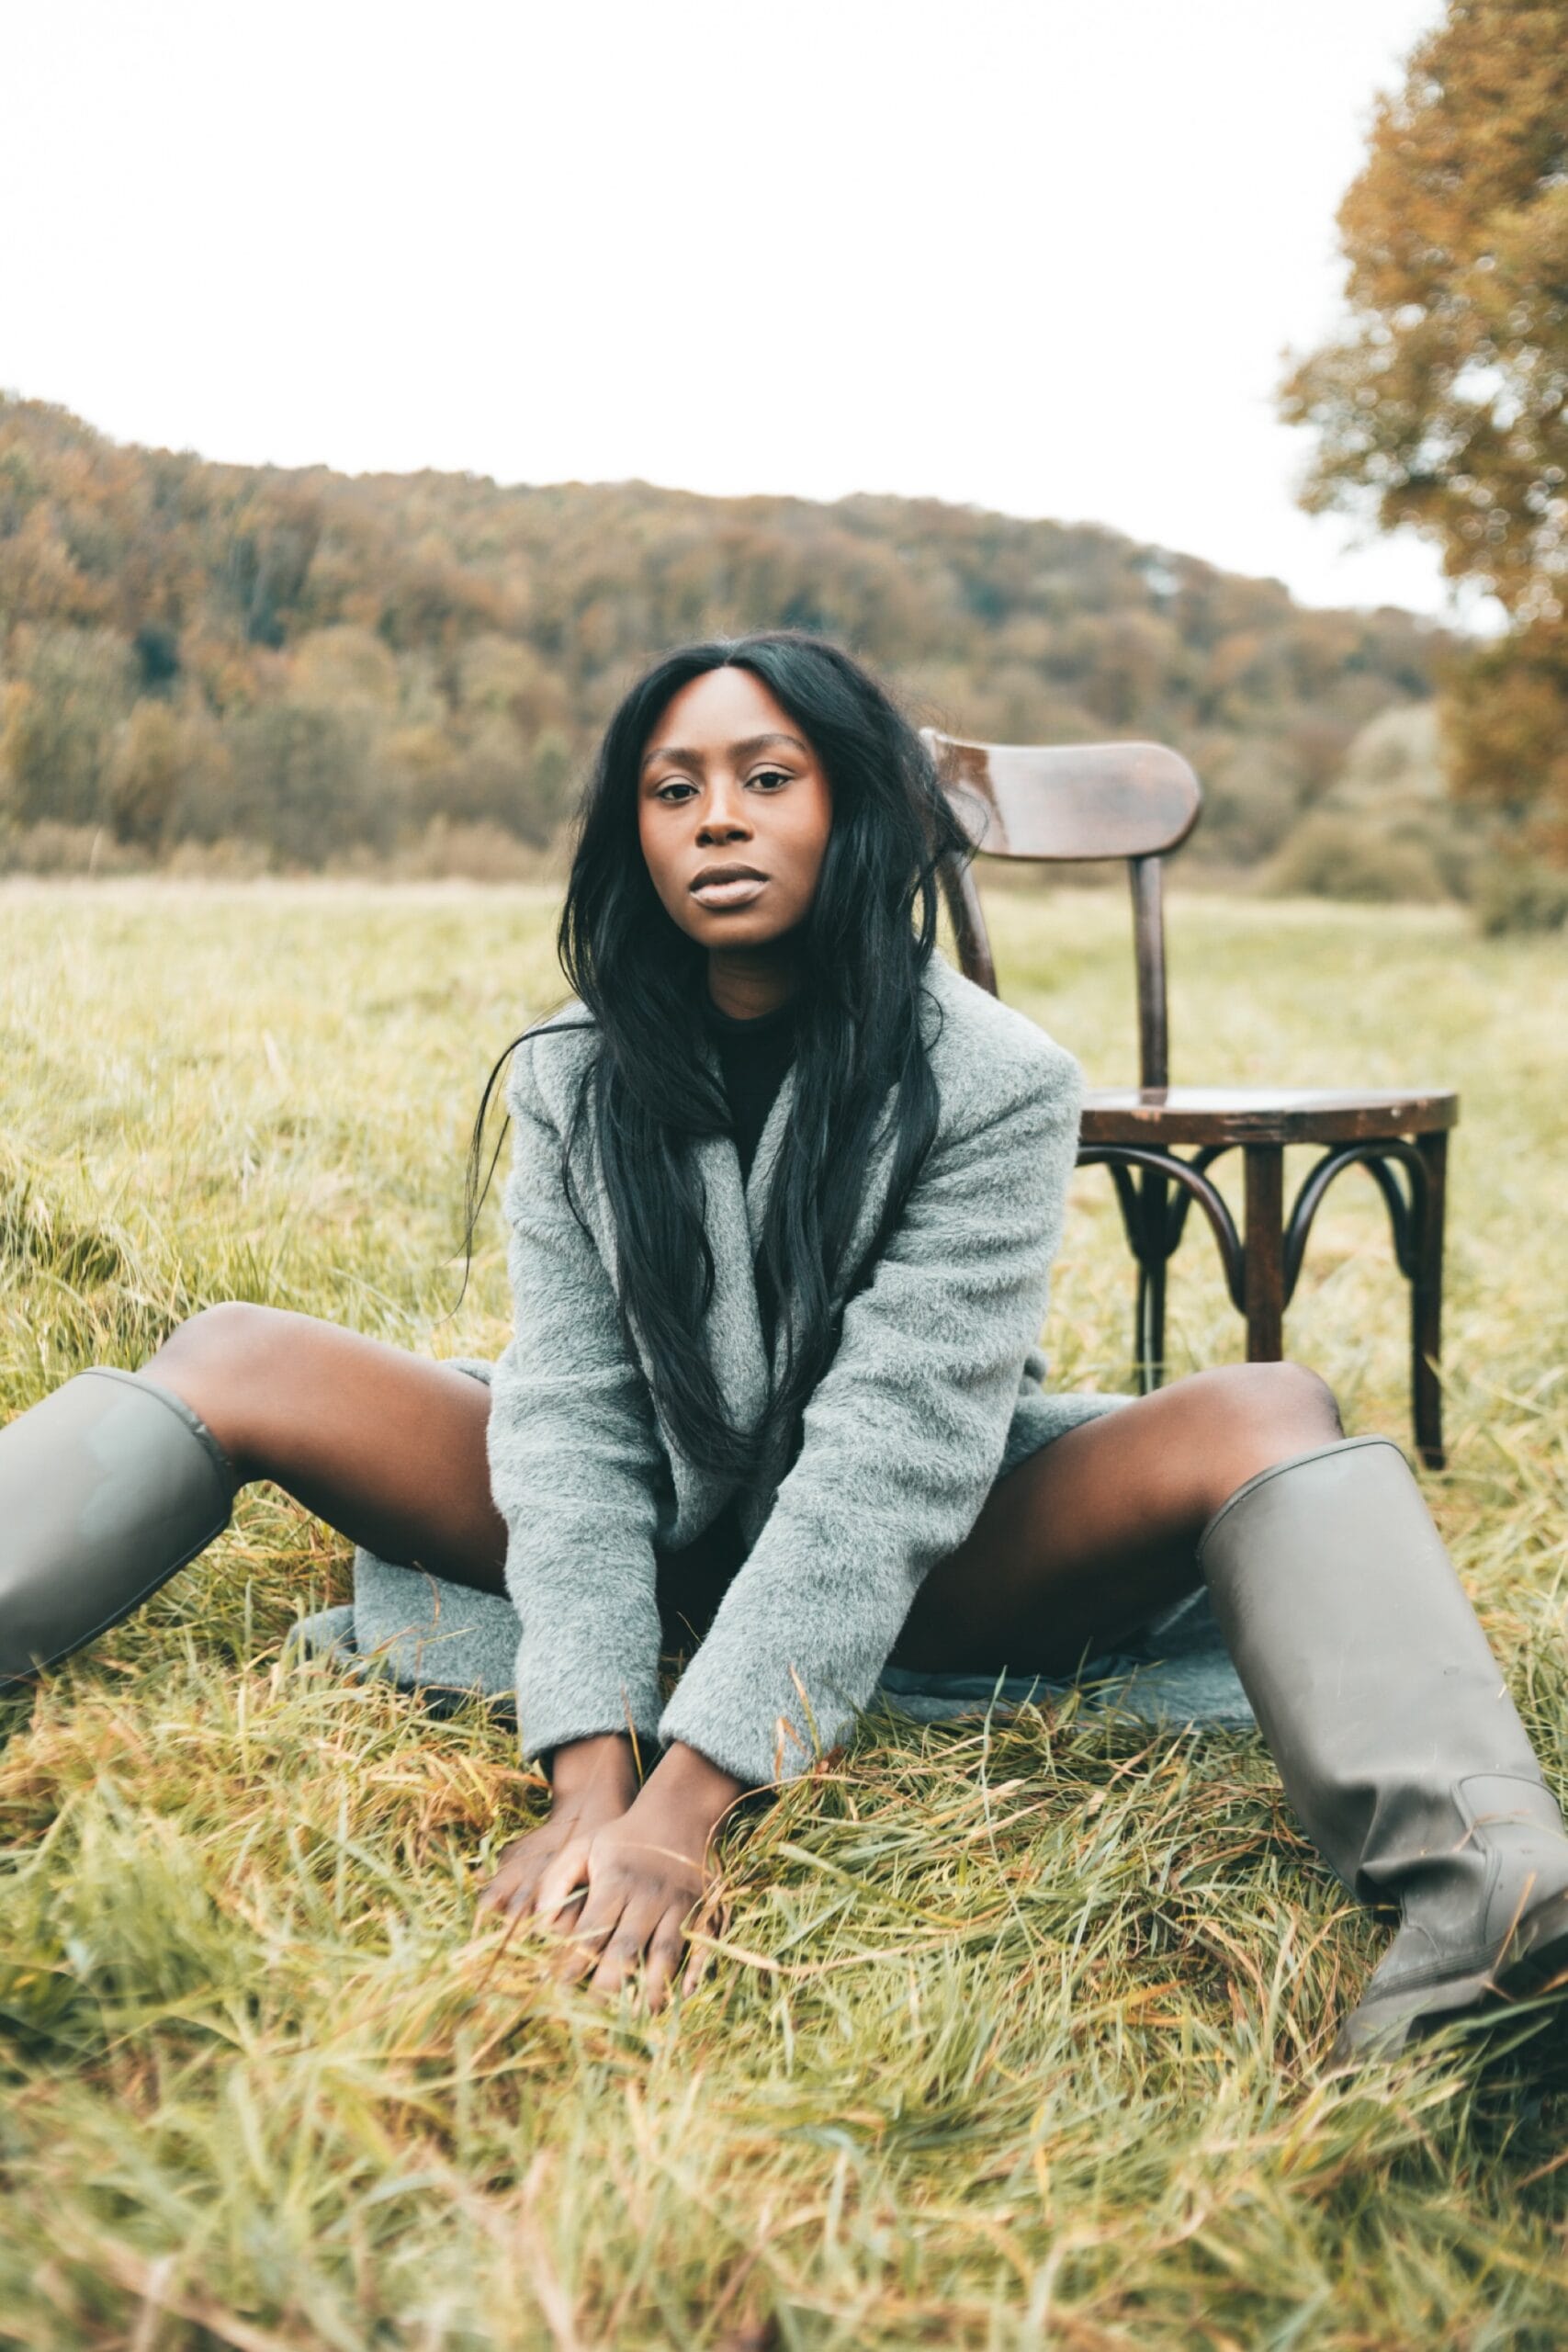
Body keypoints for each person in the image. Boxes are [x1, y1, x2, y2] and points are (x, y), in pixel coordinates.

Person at [2, 632, 1565, 2066]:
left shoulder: (998, 1078)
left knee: (1272, 1407)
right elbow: (571, 1423)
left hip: (932, 1563)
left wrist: (684, 1810)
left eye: (767, 778)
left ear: (854, 810)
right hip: (659, 1520)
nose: (718, 820)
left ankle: (1491, 1904)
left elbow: (891, 1464)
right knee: (238, 1351)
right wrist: (591, 1772)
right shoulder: (571, 1075)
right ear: (634, 833)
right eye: (673, 789)